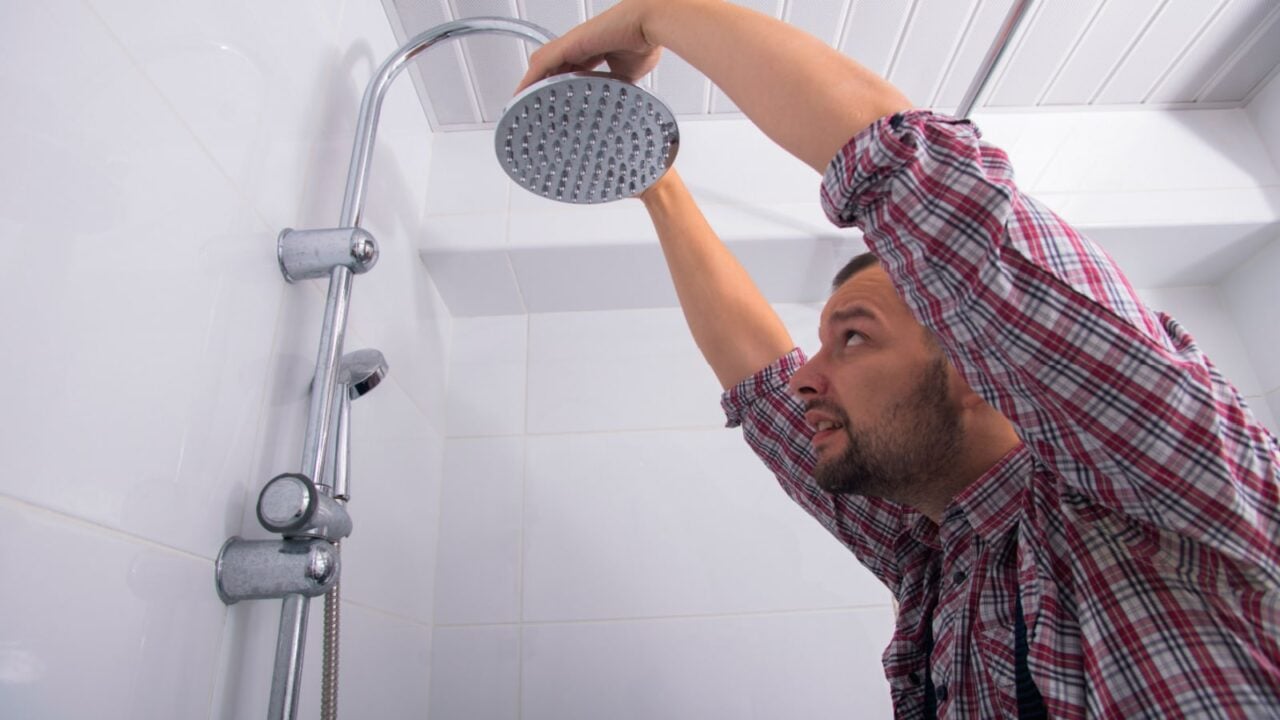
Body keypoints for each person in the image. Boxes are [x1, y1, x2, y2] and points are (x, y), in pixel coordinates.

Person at [517, 1, 1280, 717]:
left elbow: (924, 187)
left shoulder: (1157, 483)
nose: (810, 375)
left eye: (853, 337)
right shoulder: (938, 560)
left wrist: (657, 13)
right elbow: (762, 385)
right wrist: (655, 182)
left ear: (978, 363)